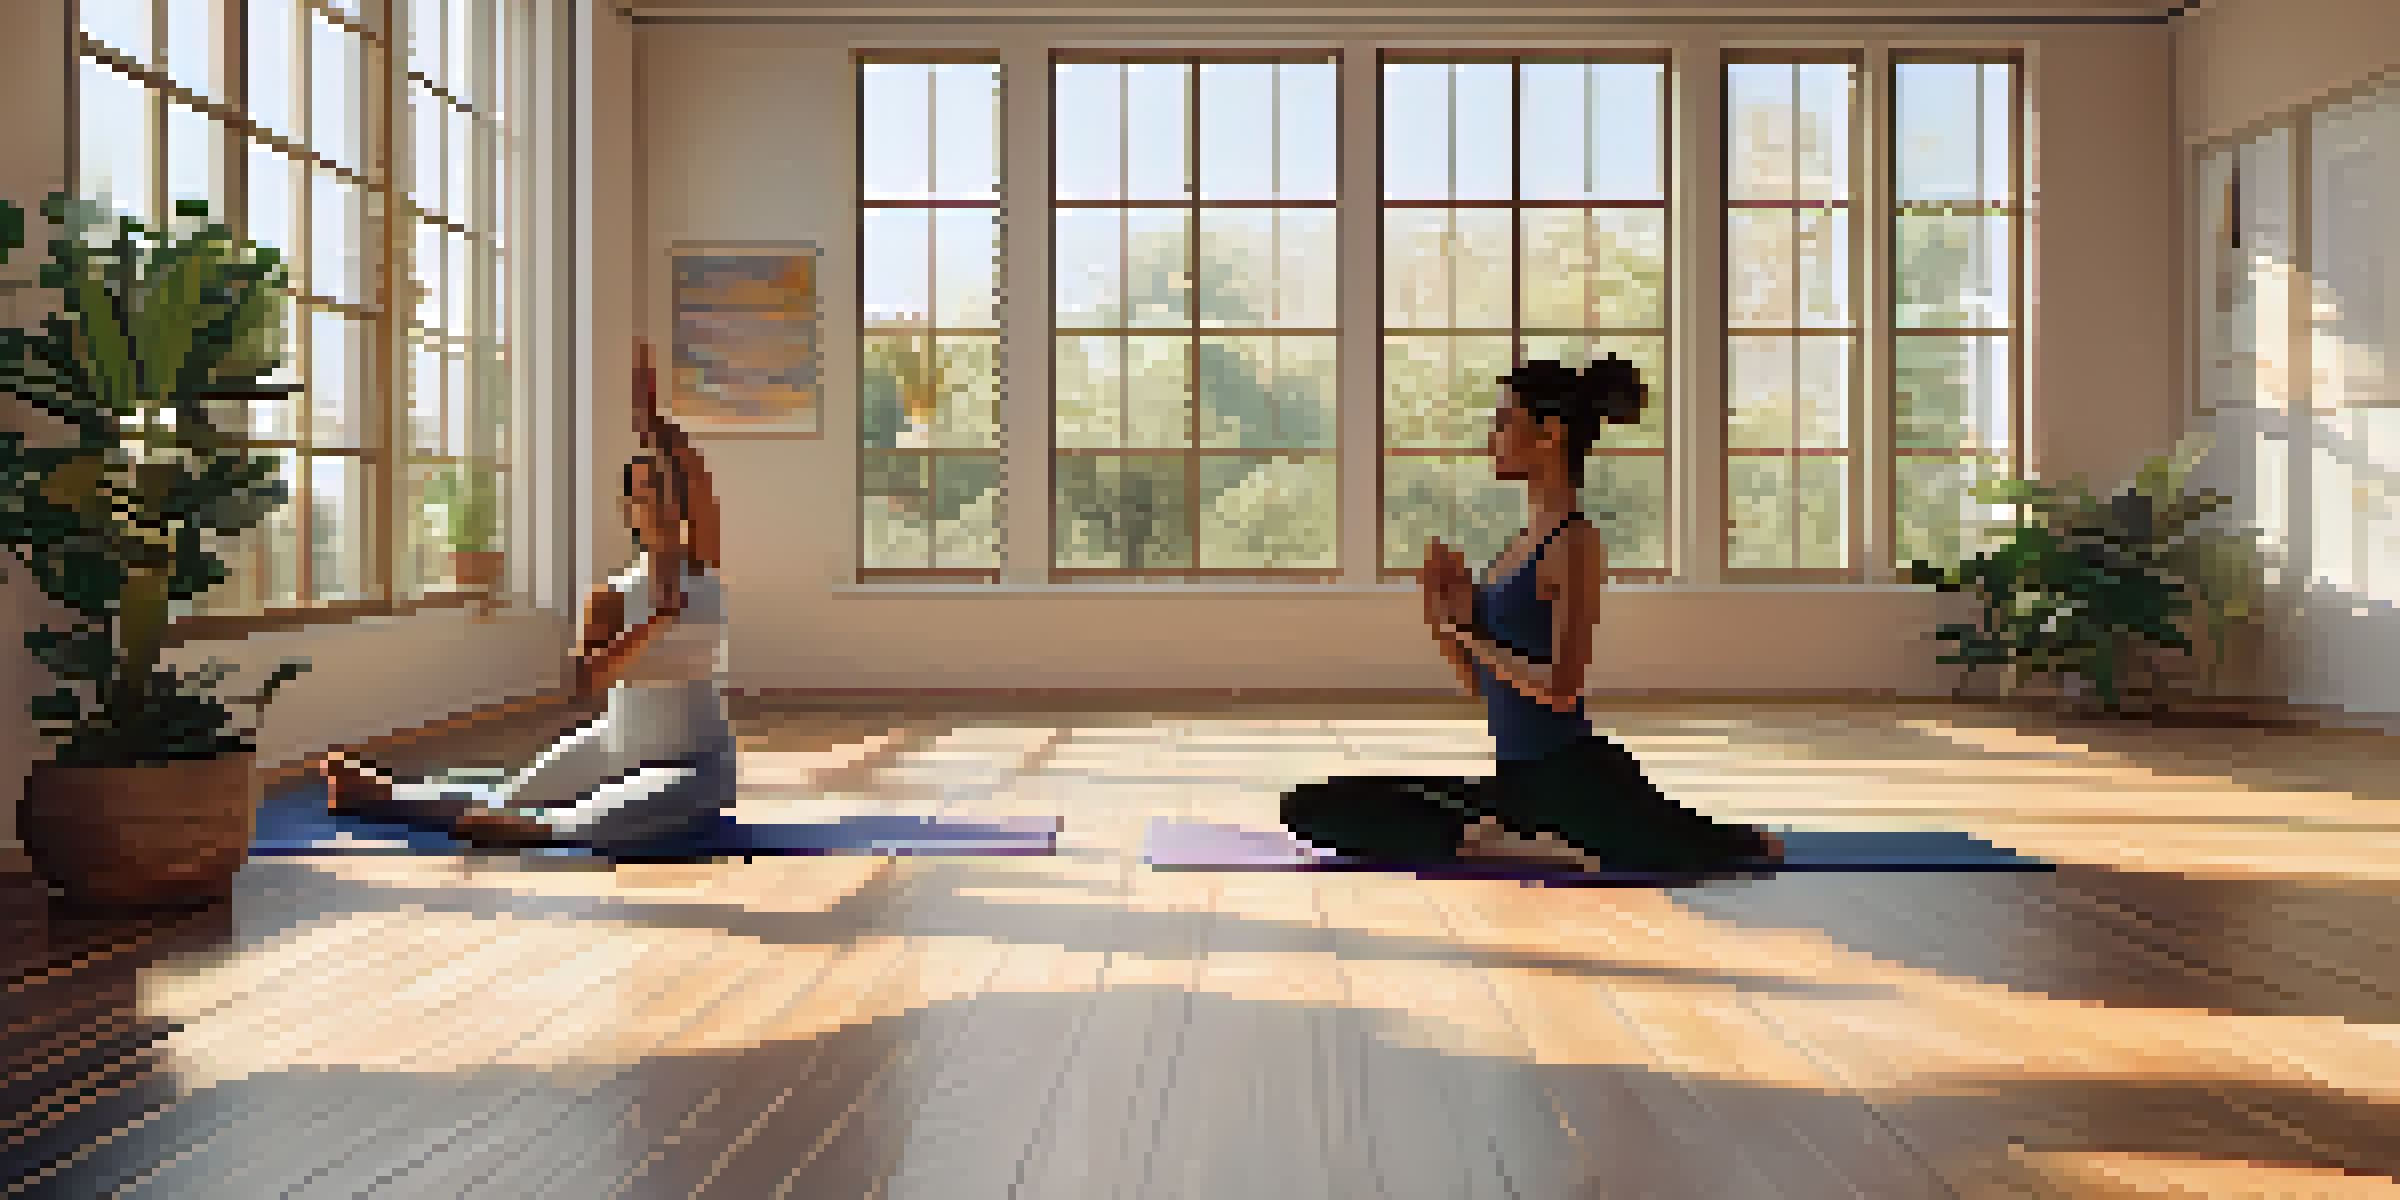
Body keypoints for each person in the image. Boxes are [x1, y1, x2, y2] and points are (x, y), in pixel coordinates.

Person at [1280, 355, 1784, 874]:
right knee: (1310, 807)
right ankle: (1515, 840)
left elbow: (1562, 688)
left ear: (1549, 434)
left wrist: (1467, 633)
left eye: (1504, 422)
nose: (1492, 438)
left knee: (1743, 846)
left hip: (1570, 778)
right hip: (1518, 783)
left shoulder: (1574, 543)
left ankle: (1529, 840)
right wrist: (1443, 619)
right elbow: (1486, 687)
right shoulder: (1517, 547)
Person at [314, 341, 735, 852]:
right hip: (615, 745)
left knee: (658, 800)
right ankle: (376, 794)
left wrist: (651, 421)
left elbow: (696, 471)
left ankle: (543, 830)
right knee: (513, 792)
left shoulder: (703, 562)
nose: (666, 500)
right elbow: (586, 683)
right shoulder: (610, 596)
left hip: (692, 760)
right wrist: (654, 623)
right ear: (631, 509)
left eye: (671, 489)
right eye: (650, 492)